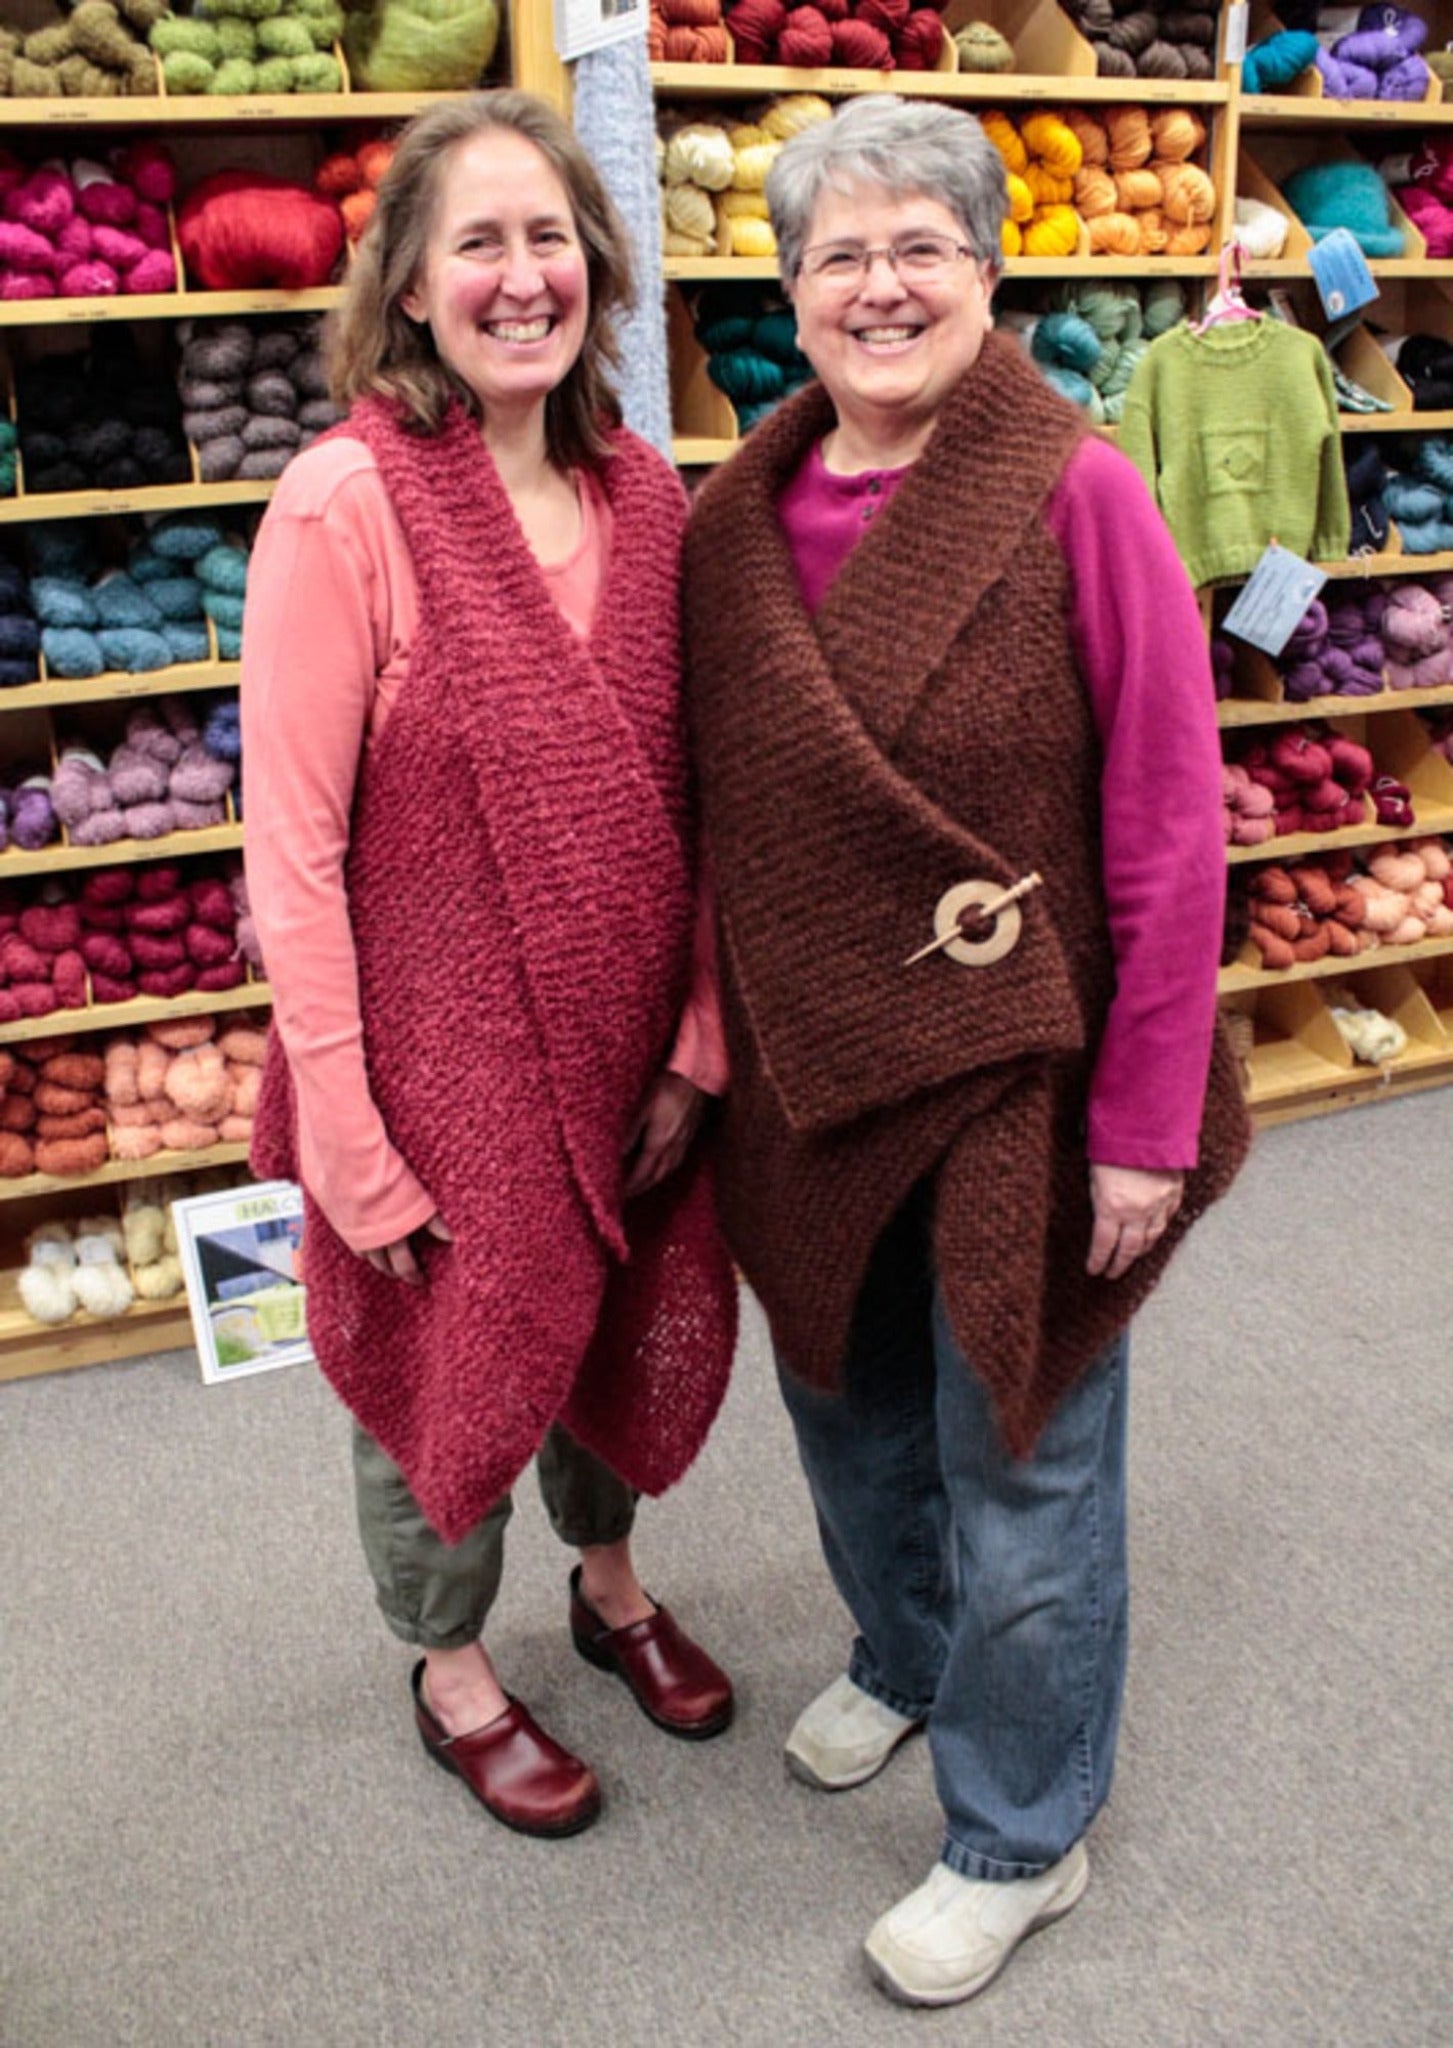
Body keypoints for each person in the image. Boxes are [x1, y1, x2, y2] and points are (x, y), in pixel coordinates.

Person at [683, 96, 1251, 2005]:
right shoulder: (730, 526)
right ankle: (905, 1652)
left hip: (1026, 1073)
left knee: (1020, 1453)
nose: (881, 285)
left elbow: (1174, 827)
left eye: (920, 245)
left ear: (986, 272)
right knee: (843, 1416)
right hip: (812, 1073)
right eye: (839, 254)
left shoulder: (1078, 490)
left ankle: (1021, 1831)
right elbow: (721, 820)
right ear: (788, 293)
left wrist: (1143, 1124)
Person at [241, 92, 738, 1841]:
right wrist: (347, 1136)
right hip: (431, 1073)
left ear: (595, 268)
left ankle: (605, 1587)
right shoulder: (346, 503)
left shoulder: (650, 496)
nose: (520, 277)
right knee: (448, 1357)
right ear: (410, 282)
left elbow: (696, 794)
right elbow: (291, 855)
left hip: (626, 1053)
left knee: (603, 1320)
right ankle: (449, 1665)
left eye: (550, 239)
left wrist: (694, 1039)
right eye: (479, 243)